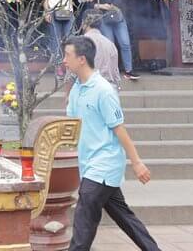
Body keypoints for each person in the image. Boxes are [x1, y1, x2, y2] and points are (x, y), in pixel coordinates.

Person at [63, 36, 162, 251]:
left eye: (67, 55)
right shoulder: (76, 89)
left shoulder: (104, 90)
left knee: (84, 217)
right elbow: (71, 124)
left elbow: (119, 129)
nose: (64, 60)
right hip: (89, 163)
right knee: (124, 217)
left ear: (81, 59)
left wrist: (136, 163)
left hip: (104, 163)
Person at [94, 0, 139, 81]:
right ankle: (111, 70)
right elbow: (92, 4)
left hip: (118, 17)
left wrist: (104, 5)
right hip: (104, 19)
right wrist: (103, 6)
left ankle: (129, 70)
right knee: (109, 44)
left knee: (125, 43)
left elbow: (118, 2)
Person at [41, 0, 75, 75]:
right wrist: (47, 11)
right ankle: (58, 66)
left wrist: (72, 10)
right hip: (53, 8)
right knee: (55, 40)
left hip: (67, 9)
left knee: (71, 39)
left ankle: (71, 66)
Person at [83, 11, 122, 90]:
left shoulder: (80, 42)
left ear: (83, 23)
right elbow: (116, 75)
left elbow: (71, 75)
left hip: (87, 89)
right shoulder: (110, 44)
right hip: (108, 90)